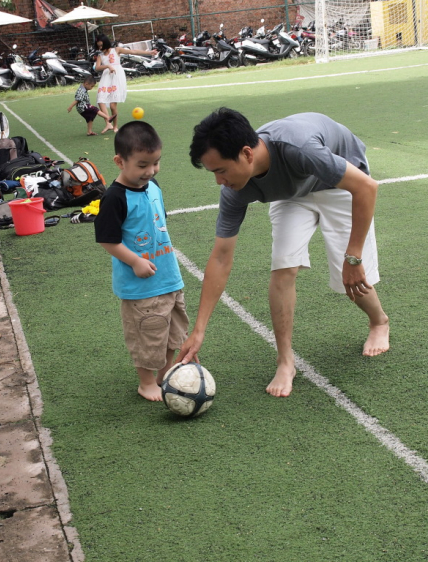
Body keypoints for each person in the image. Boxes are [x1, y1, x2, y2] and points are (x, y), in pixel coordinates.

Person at [179, 108, 390, 398]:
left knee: (350, 278)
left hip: (339, 183)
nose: (219, 181)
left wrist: (353, 258)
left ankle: (379, 321)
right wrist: (199, 329)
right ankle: (285, 361)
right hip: (292, 192)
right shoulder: (235, 190)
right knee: (283, 266)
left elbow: (366, 187)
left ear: (247, 154)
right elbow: (220, 257)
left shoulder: (300, 148)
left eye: (221, 170)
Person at [95, 121, 189, 401]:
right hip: (141, 286)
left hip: (168, 277)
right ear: (119, 161)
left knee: (174, 331)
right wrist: (135, 261)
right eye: (142, 165)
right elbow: (107, 239)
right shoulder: (114, 197)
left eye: (156, 163)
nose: (150, 171)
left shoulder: (153, 186)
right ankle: (146, 382)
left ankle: (164, 373)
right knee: (148, 336)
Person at [94, 35, 157, 134]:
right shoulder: (100, 56)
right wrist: (107, 66)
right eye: (98, 46)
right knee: (100, 99)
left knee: (112, 105)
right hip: (106, 77)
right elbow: (97, 68)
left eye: (101, 45)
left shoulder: (116, 50)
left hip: (116, 76)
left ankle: (115, 126)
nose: (100, 48)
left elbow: (133, 52)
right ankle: (108, 123)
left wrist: (149, 52)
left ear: (106, 43)